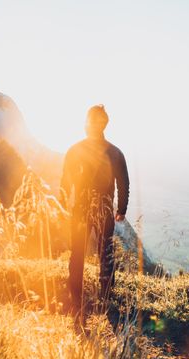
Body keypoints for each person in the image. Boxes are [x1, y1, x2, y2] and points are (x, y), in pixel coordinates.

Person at [60, 105, 129, 320]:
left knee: (78, 252)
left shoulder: (75, 149)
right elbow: (123, 184)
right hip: (104, 208)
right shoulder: (115, 152)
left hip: (80, 210)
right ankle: (106, 297)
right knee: (104, 251)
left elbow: (65, 181)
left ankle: (75, 298)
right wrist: (121, 209)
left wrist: (63, 203)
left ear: (87, 122)